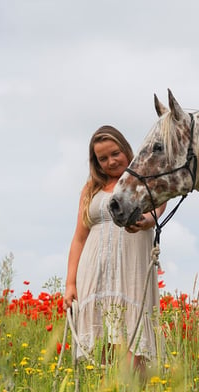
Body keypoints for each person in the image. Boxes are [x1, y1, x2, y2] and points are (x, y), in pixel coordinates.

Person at [63, 125, 165, 376]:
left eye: (115, 153)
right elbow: (79, 237)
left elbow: (159, 208)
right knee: (101, 344)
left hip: (131, 267)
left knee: (132, 340)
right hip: (94, 269)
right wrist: (70, 284)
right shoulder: (91, 189)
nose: (110, 161)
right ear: (96, 162)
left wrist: (149, 219)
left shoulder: (143, 180)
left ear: (126, 150)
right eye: (103, 158)